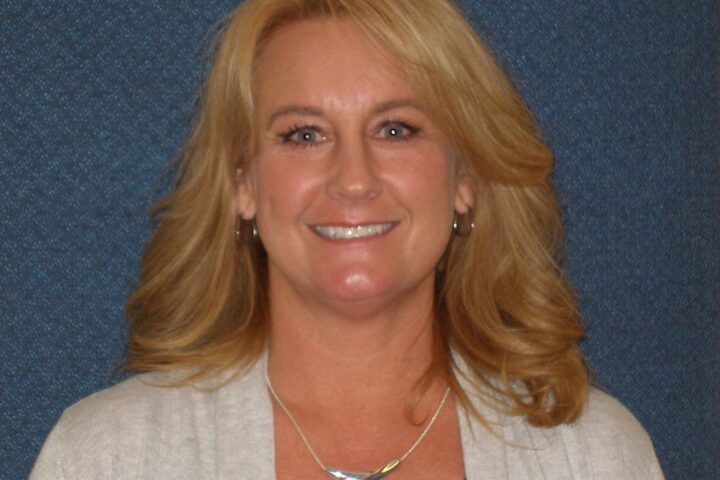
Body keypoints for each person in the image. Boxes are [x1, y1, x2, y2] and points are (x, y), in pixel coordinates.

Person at [30, 0, 664, 478]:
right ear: (242, 183)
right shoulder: (111, 455)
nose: (354, 179)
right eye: (304, 135)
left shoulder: (591, 455)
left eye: (395, 130)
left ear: (466, 176)